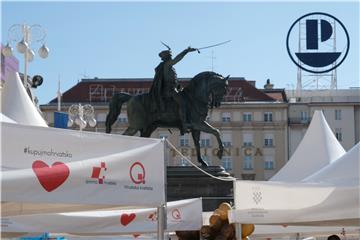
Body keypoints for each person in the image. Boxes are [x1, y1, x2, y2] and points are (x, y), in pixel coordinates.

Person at [149, 46, 197, 134]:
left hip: (174, 88)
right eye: (169, 55)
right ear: (166, 57)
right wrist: (186, 51)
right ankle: (184, 124)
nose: (171, 57)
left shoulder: (169, 66)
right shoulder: (167, 65)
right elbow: (177, 59)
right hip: (169, 90)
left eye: (170, 55)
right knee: (182, 103)